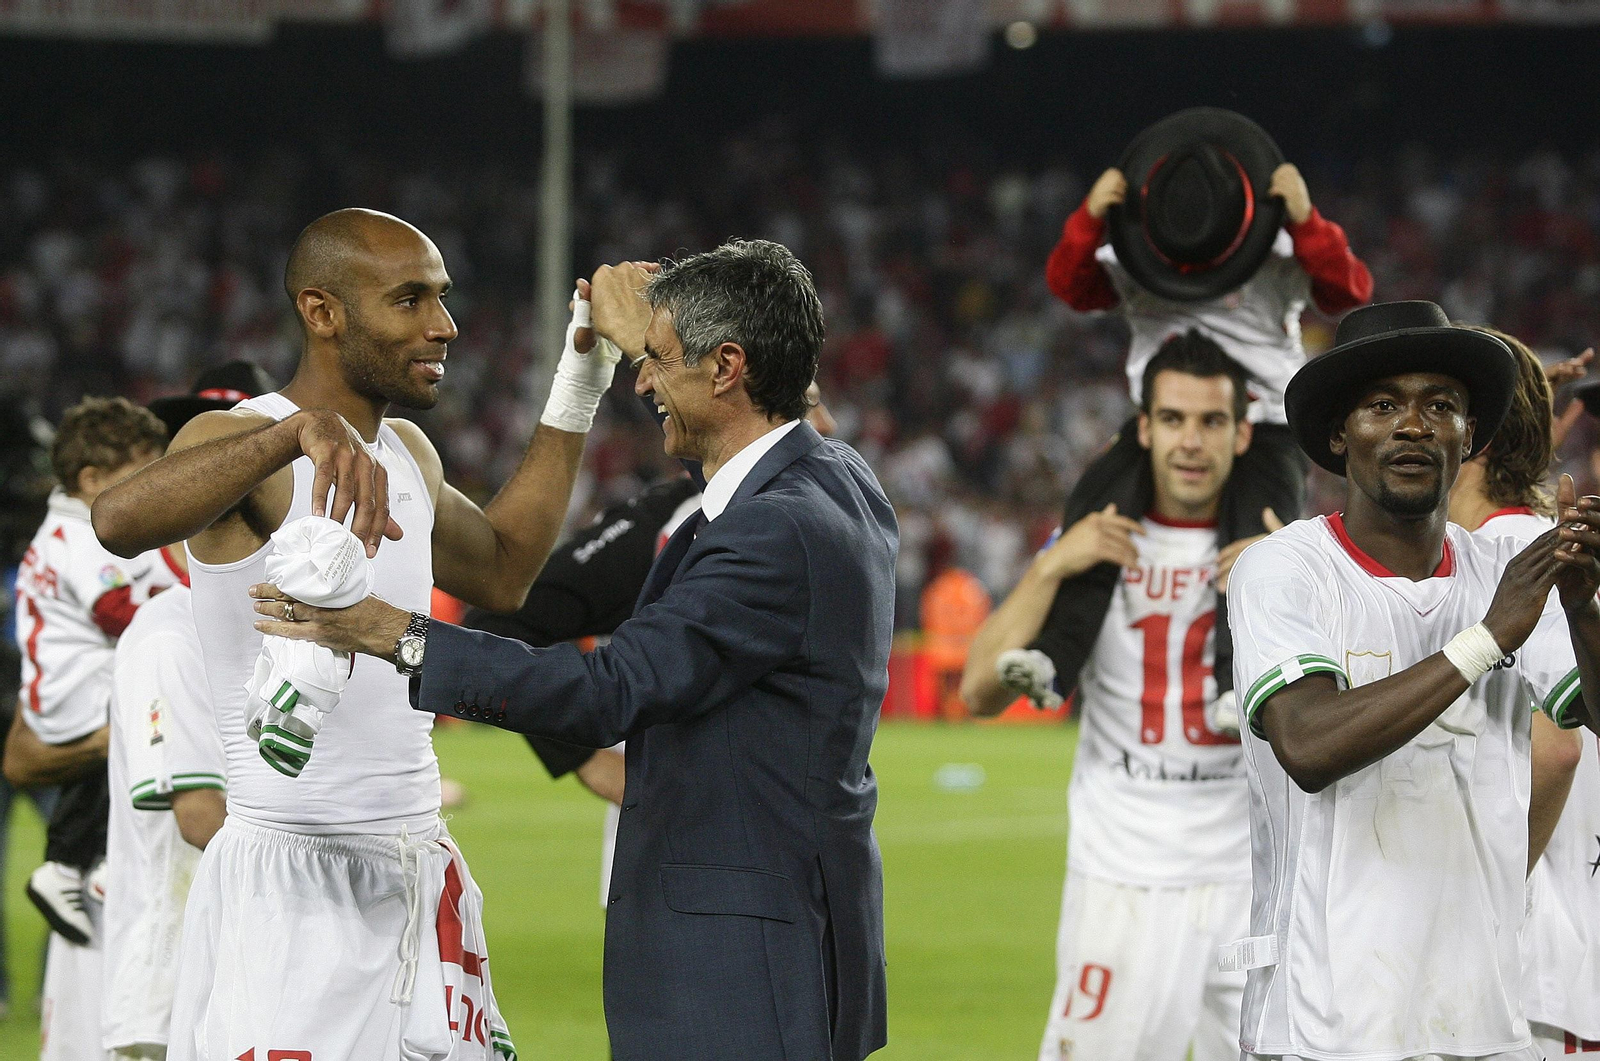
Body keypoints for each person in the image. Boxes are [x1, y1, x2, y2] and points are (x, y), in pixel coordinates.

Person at [252, 239, 898, 1061]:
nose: (644, 381)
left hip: (739, 960)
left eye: (658, 359)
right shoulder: (839, 479)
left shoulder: (774, 526)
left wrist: (387, 630)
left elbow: (608, 688)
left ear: (729, 366)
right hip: (792, 927)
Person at [90, 207, 620, 1060]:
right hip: (287, 880)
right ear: (322, 311)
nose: (442, 325)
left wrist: (579, 382)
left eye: (441, 299)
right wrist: (290, 435)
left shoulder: (409, 451)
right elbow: (118, 518)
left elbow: (505, 570)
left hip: (420, 866)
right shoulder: (239, 436)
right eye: (409, 300)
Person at [1227, 299, 1600, 1061]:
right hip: (1323, 1023)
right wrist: (1486, 638)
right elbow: (1307, 742)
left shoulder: (1506, 566)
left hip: (1486, 1020)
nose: (1413, 424)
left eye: (1441, 405)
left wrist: (1585, 609)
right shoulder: (1285, 567)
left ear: (1472, 438)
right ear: (1339, 432)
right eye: (1382, 403)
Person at [961, 332, 1269, 1061]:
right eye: (1173, 419)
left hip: (1253, 876)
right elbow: (977, 688)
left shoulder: (1278, 549)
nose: (1191, 441)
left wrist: (1287, 580)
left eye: (1211, 421)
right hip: (1123, 874)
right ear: (1144, 427)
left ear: (1243, 431)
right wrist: (1051, 566)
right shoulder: (1096, 542)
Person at [1012, 108, 1372, 718]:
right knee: (1094, 525)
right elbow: (1069, 285)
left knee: (1259, 546)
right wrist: (1088, 218)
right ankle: (1055, 657)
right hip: (1165, 424)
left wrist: (1309, 222)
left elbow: (1350, 293)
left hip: (1263, 425)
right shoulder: (1140, 255)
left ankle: (1238, 684)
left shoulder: (1279, 251)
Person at [100, 362, 275, 1061]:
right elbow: (199, 813)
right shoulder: (172, 634)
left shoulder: (224, 626)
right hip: (168, 987)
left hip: (215, 968)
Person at [7, 396, 177, 1061]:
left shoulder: (68, 528)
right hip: (74, 690)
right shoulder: (84, 533)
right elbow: (116, 609)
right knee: (141, 716)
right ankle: (75, 862)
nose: (153, 482)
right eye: (141, 470)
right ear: (90, 480)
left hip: (61, 685)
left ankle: (71, 859)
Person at [1451, 329, 1600, 1058]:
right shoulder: (1553, 546)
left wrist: (1485, 895)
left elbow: (1555, 747)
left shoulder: (1507, 562)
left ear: (1470, 435)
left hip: (1541, 969)